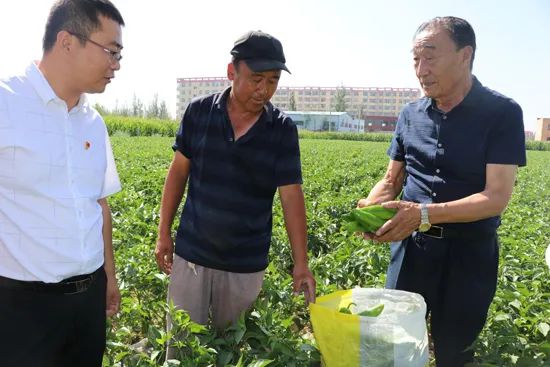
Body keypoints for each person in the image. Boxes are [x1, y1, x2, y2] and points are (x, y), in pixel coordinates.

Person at [357, 16, 526, 366]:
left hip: (469, 254)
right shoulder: (410, 114)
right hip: (413, 252)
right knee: (397, 345)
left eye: (430, 57)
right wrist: (371, 207)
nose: (421, 69)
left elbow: (496, 197)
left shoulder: (502, 113)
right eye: (415, 59)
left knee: (454, 350)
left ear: (465, 56)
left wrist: (423, 214)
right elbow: (392, 180)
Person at [155, 30, 316, 357]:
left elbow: (291, 196)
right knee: (182, 349)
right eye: (256, 79)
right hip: (192, 257)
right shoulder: (199, 112)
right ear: (232, 72)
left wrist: (302, 263)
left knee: (233, 350)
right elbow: (178, 174)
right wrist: (163, 233)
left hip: (245, 263)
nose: (264, 89)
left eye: (272, 81)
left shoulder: (282, 130)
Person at [0, 1, 124, 366]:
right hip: (21, 305)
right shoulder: (6, 104)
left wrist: (109, 278)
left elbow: (99, 205)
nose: (116, 64)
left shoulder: (93, 123)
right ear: (67, 41)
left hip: (87, 300)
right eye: (111, 51)